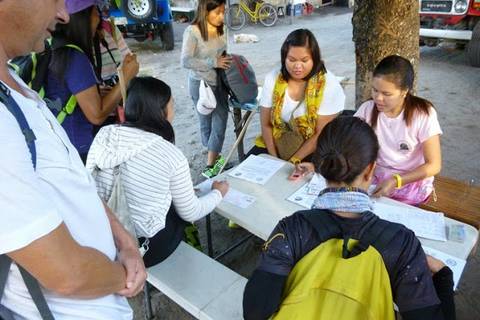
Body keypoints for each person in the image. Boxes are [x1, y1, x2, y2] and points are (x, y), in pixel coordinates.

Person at [0, 0, 146, 318]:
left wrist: (125, 242)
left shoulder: (16, 82)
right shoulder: (75, 59)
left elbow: (74, 185)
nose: (62, 13)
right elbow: (67, 275)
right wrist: (126, 274)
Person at [243, 117, 455, 320]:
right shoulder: (401, 244)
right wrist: (444, 277)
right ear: (371, 169)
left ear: (321, 164)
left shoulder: (292, 229)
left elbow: (255, 311)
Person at [86, 77, 229, 267]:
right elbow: (191, 212)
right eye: (172, 105)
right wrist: (219, 192)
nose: (174, 110)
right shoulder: (170, 155)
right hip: (144, 249)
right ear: (160, 113)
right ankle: (189, 265)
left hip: (102, 238)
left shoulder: (104, 134)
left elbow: (90, 184)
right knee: (182, 218)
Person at [45, 0, 139, 163]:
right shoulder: (75, 57)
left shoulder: (56, 47)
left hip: (61, 144)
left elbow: (67, 94)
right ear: (83, 18)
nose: (99, 19)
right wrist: (126, 75)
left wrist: (94, 94)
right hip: (80, 148)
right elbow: (97, 115)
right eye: (96, 13)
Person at [355, 55, 442, 205]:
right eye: (375, 90)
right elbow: (348, 143)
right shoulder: (367, 110)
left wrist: (396, 181)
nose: (378, 98)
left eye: (387, 94)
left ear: (404, 91)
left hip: (411, 180)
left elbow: (434, 165)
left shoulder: (423, 114)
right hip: (375, 175)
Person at [249, 28, 345, 165]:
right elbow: (266, 124)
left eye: (305, 60)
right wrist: (274, 159)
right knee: (249, 170)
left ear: (314, 58)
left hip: (314, 148)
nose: (298, 66)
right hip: (278, 142)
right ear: (284, 58)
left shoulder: (328, 83)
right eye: (292, 60)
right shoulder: (273, 78)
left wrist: (292, 161)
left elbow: (320, 134)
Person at [181, 0, 231, 179]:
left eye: (223, 11)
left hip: (220, 83)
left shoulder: (222, 28)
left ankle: (210, 164)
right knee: (206, 124)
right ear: (204, 11)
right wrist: (213, 62)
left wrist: (227, 62)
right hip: (200, 85)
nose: (221, 16)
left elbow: (224, 54)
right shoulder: (192, 31)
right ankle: (214, 156)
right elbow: (185, 61)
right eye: (217, 12)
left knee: (220, 122)